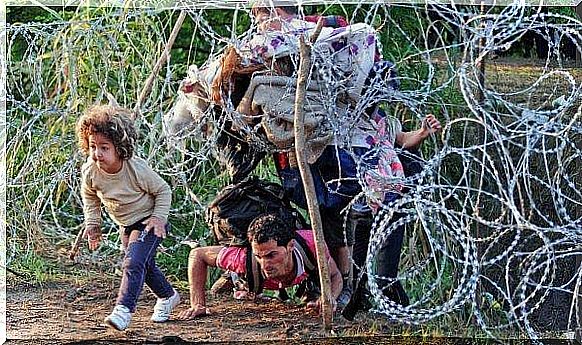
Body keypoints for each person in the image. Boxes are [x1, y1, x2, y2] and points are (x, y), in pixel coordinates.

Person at [76, 104, 180, 331]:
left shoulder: (134, 168)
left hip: (148, 220)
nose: (97, 153)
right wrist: (93, 224)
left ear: (119, 147)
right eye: (93, 146)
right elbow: (90, 196)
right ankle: (168, 296)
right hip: (126, 225)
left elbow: (163, 190)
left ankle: (123, 310)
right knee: (145, 265)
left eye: (104, 147)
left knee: (133, 263)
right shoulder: (91, 171)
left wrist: (159, 218)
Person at [176, 213, 342, 319]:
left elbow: (335, 276)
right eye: (259, 256)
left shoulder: (313, 246)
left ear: (290, 246)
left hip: (301, 278)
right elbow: (197, 255)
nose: (265, 264)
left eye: (271, 255)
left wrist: (330, 298)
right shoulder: (242, 259)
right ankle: (231, 279)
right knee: (221, 290)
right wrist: (197, 304)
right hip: (244, 278)